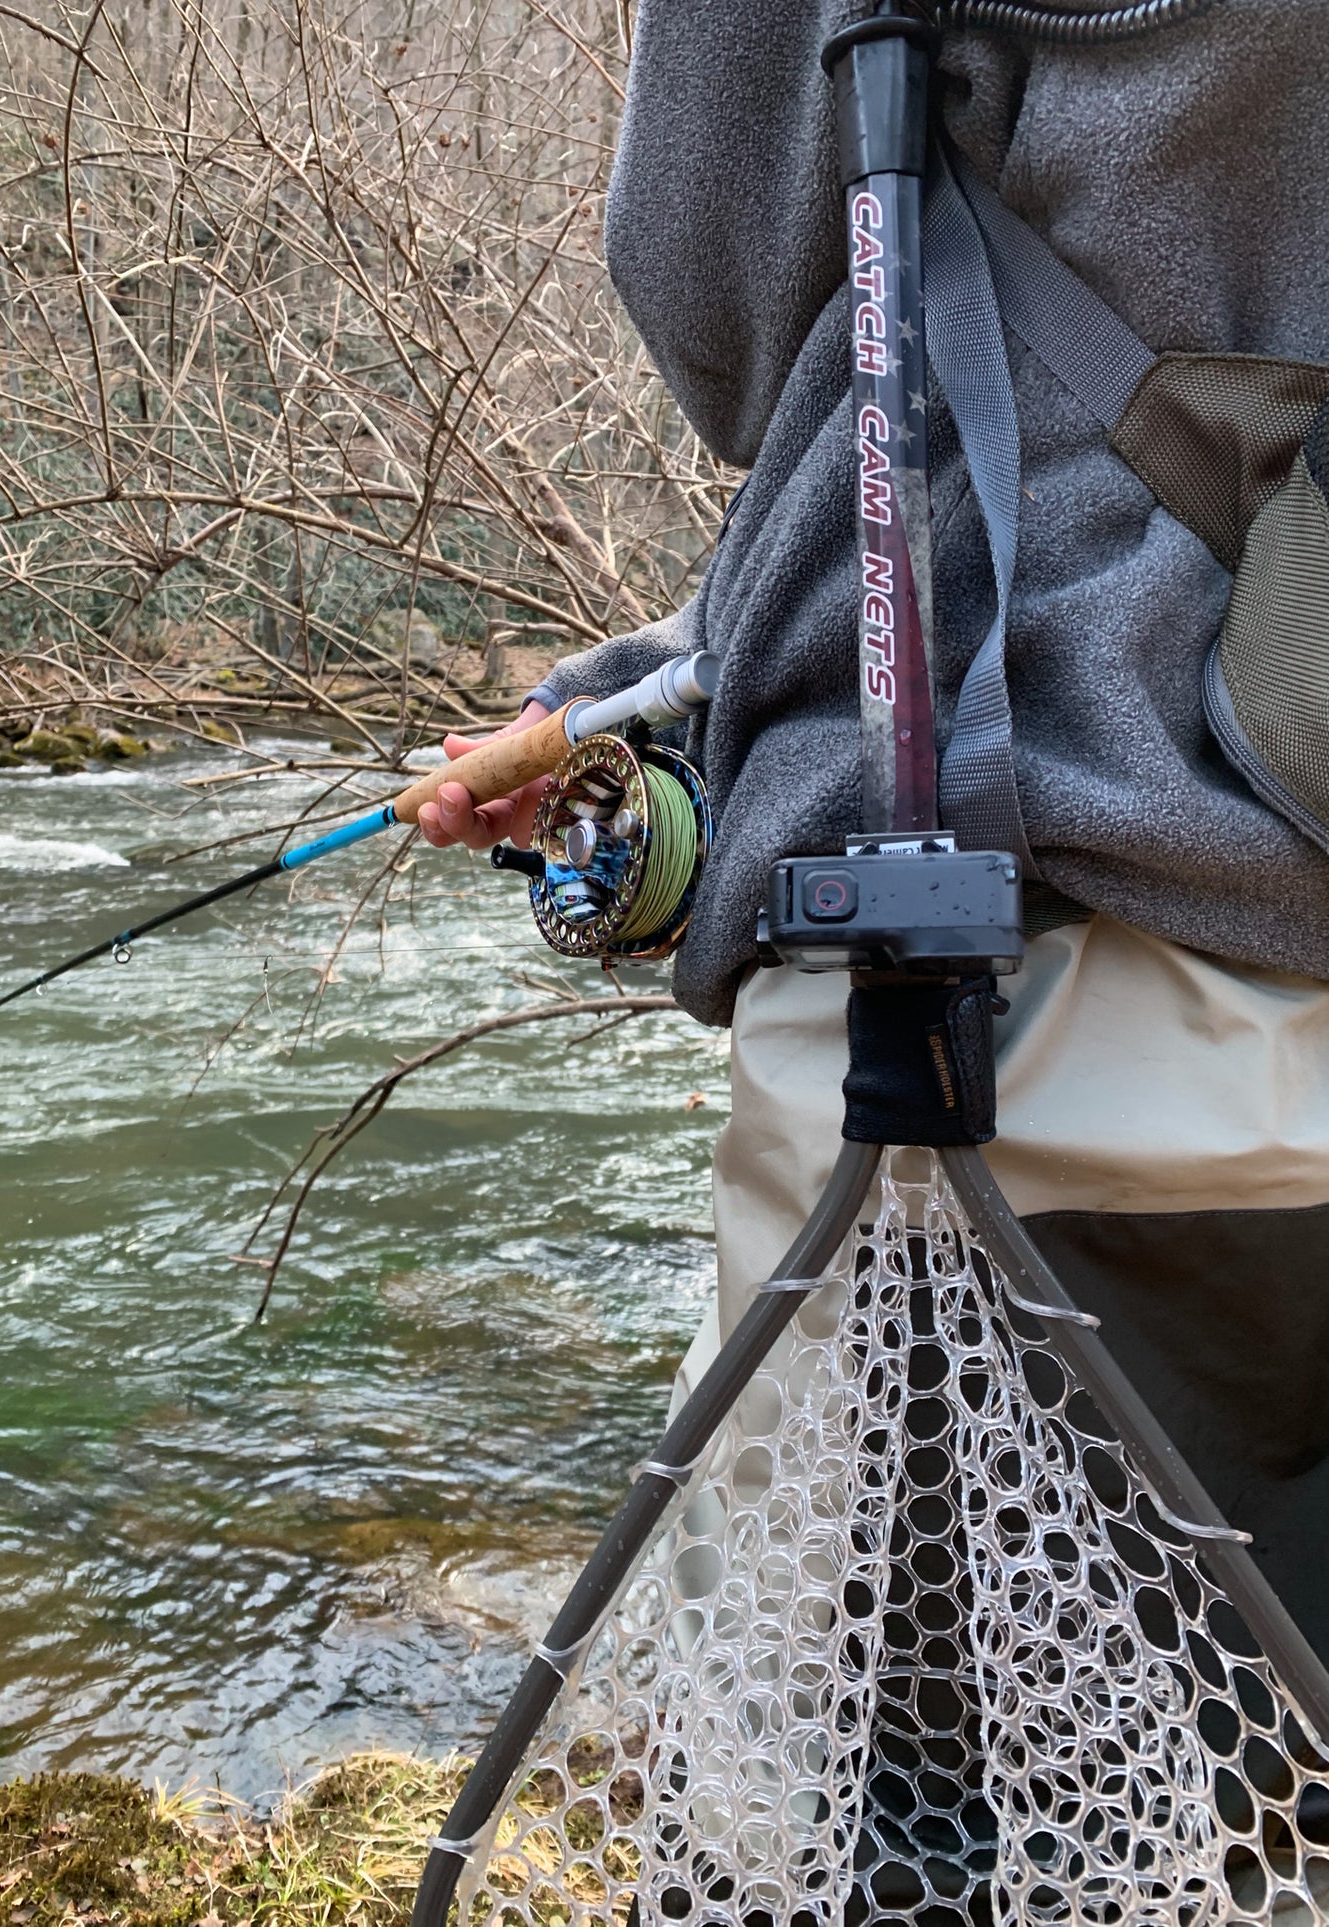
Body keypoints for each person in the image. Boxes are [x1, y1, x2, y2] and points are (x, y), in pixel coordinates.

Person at [418, 0, 1329, 1658]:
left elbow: (724, 289)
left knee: (896, 1803)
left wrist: (706, 717)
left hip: (994, 1018)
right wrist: (641, 699)